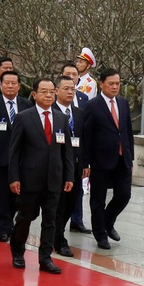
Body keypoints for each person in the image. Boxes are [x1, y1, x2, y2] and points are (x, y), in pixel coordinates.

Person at [8, 78, 74, 273]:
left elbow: (67, 151)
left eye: (51, 91)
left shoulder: (61, 118)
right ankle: (18, 251)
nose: (48, 95)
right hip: (29, 179)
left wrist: (69, 176)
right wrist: (14, 177)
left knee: (50, 221)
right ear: (34, 94)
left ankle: (45, 258)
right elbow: (14, 152)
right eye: (44, 91)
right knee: (25, 218)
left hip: (54, 179)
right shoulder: (23, 117)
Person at [82, 67, 133, 250]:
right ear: (101, 84)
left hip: (122, 158)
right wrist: (85, 162)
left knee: (124, 194)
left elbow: (127, 132)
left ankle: (107, 221)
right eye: (111, 84)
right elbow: (86, 136)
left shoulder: (123, 103)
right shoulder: (91, 106)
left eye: (117, 83)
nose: (115, 87)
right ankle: (100, 234)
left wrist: (130, 156)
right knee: (98, 199)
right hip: (100, 160)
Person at [0, 69, 34, 242]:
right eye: (7, 83)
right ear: (1, 85)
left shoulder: (27, 105)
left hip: (22, 160)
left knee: (16, 196)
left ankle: (12, 223)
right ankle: (3, 229)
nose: (10, 86)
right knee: (1, 195)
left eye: (14, 83)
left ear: (19, 86)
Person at [53, 74, 87, 257]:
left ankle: (57, 233)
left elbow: (83, 140)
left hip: (75, 166)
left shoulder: (79, 113)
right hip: (56, 167)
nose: (70, 92)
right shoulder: (50, 112)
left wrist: (85, 163)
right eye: (66, 89)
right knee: (58, 205)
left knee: (71, 203)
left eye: (72, 89)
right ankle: (58, 239)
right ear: (56, 90)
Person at [61, 63, 91, 234]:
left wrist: (86, 162)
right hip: (59, 156)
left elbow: (84, 133)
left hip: (77, 154)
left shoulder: (83, 98)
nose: (71, 77)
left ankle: (77, 220)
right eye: (68, 74)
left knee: (77, 191)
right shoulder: (53, 101)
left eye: (74, 74)